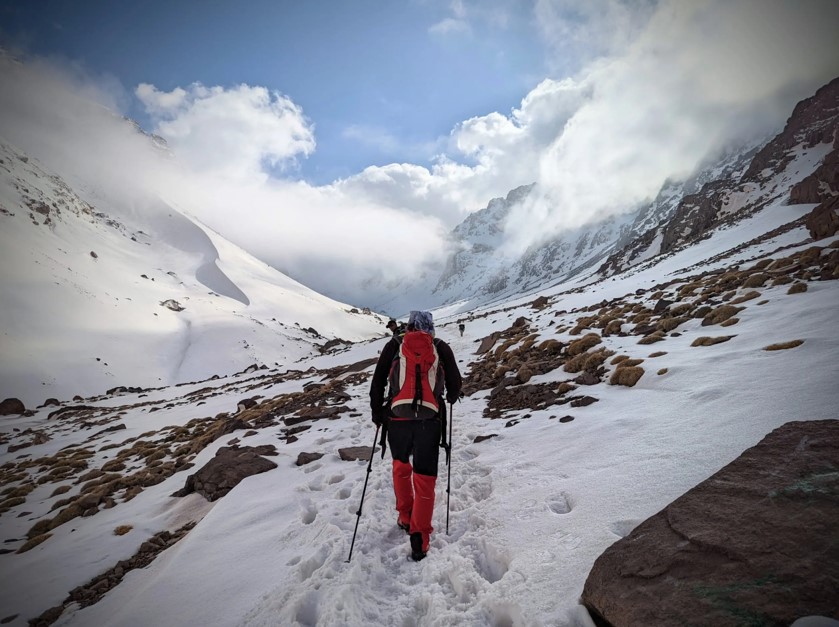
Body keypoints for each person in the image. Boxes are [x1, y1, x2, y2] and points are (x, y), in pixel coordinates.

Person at [369, 310, 462, 561]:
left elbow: (377, 381)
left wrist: (377, 413)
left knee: (401, 466)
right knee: (424, 477)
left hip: (397, 420)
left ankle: (405, 516)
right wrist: (449, 397)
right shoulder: (440, 347)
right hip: (429, 422)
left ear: (408, 326)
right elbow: (455, 385)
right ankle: (420, 537)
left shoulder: (395, 344)